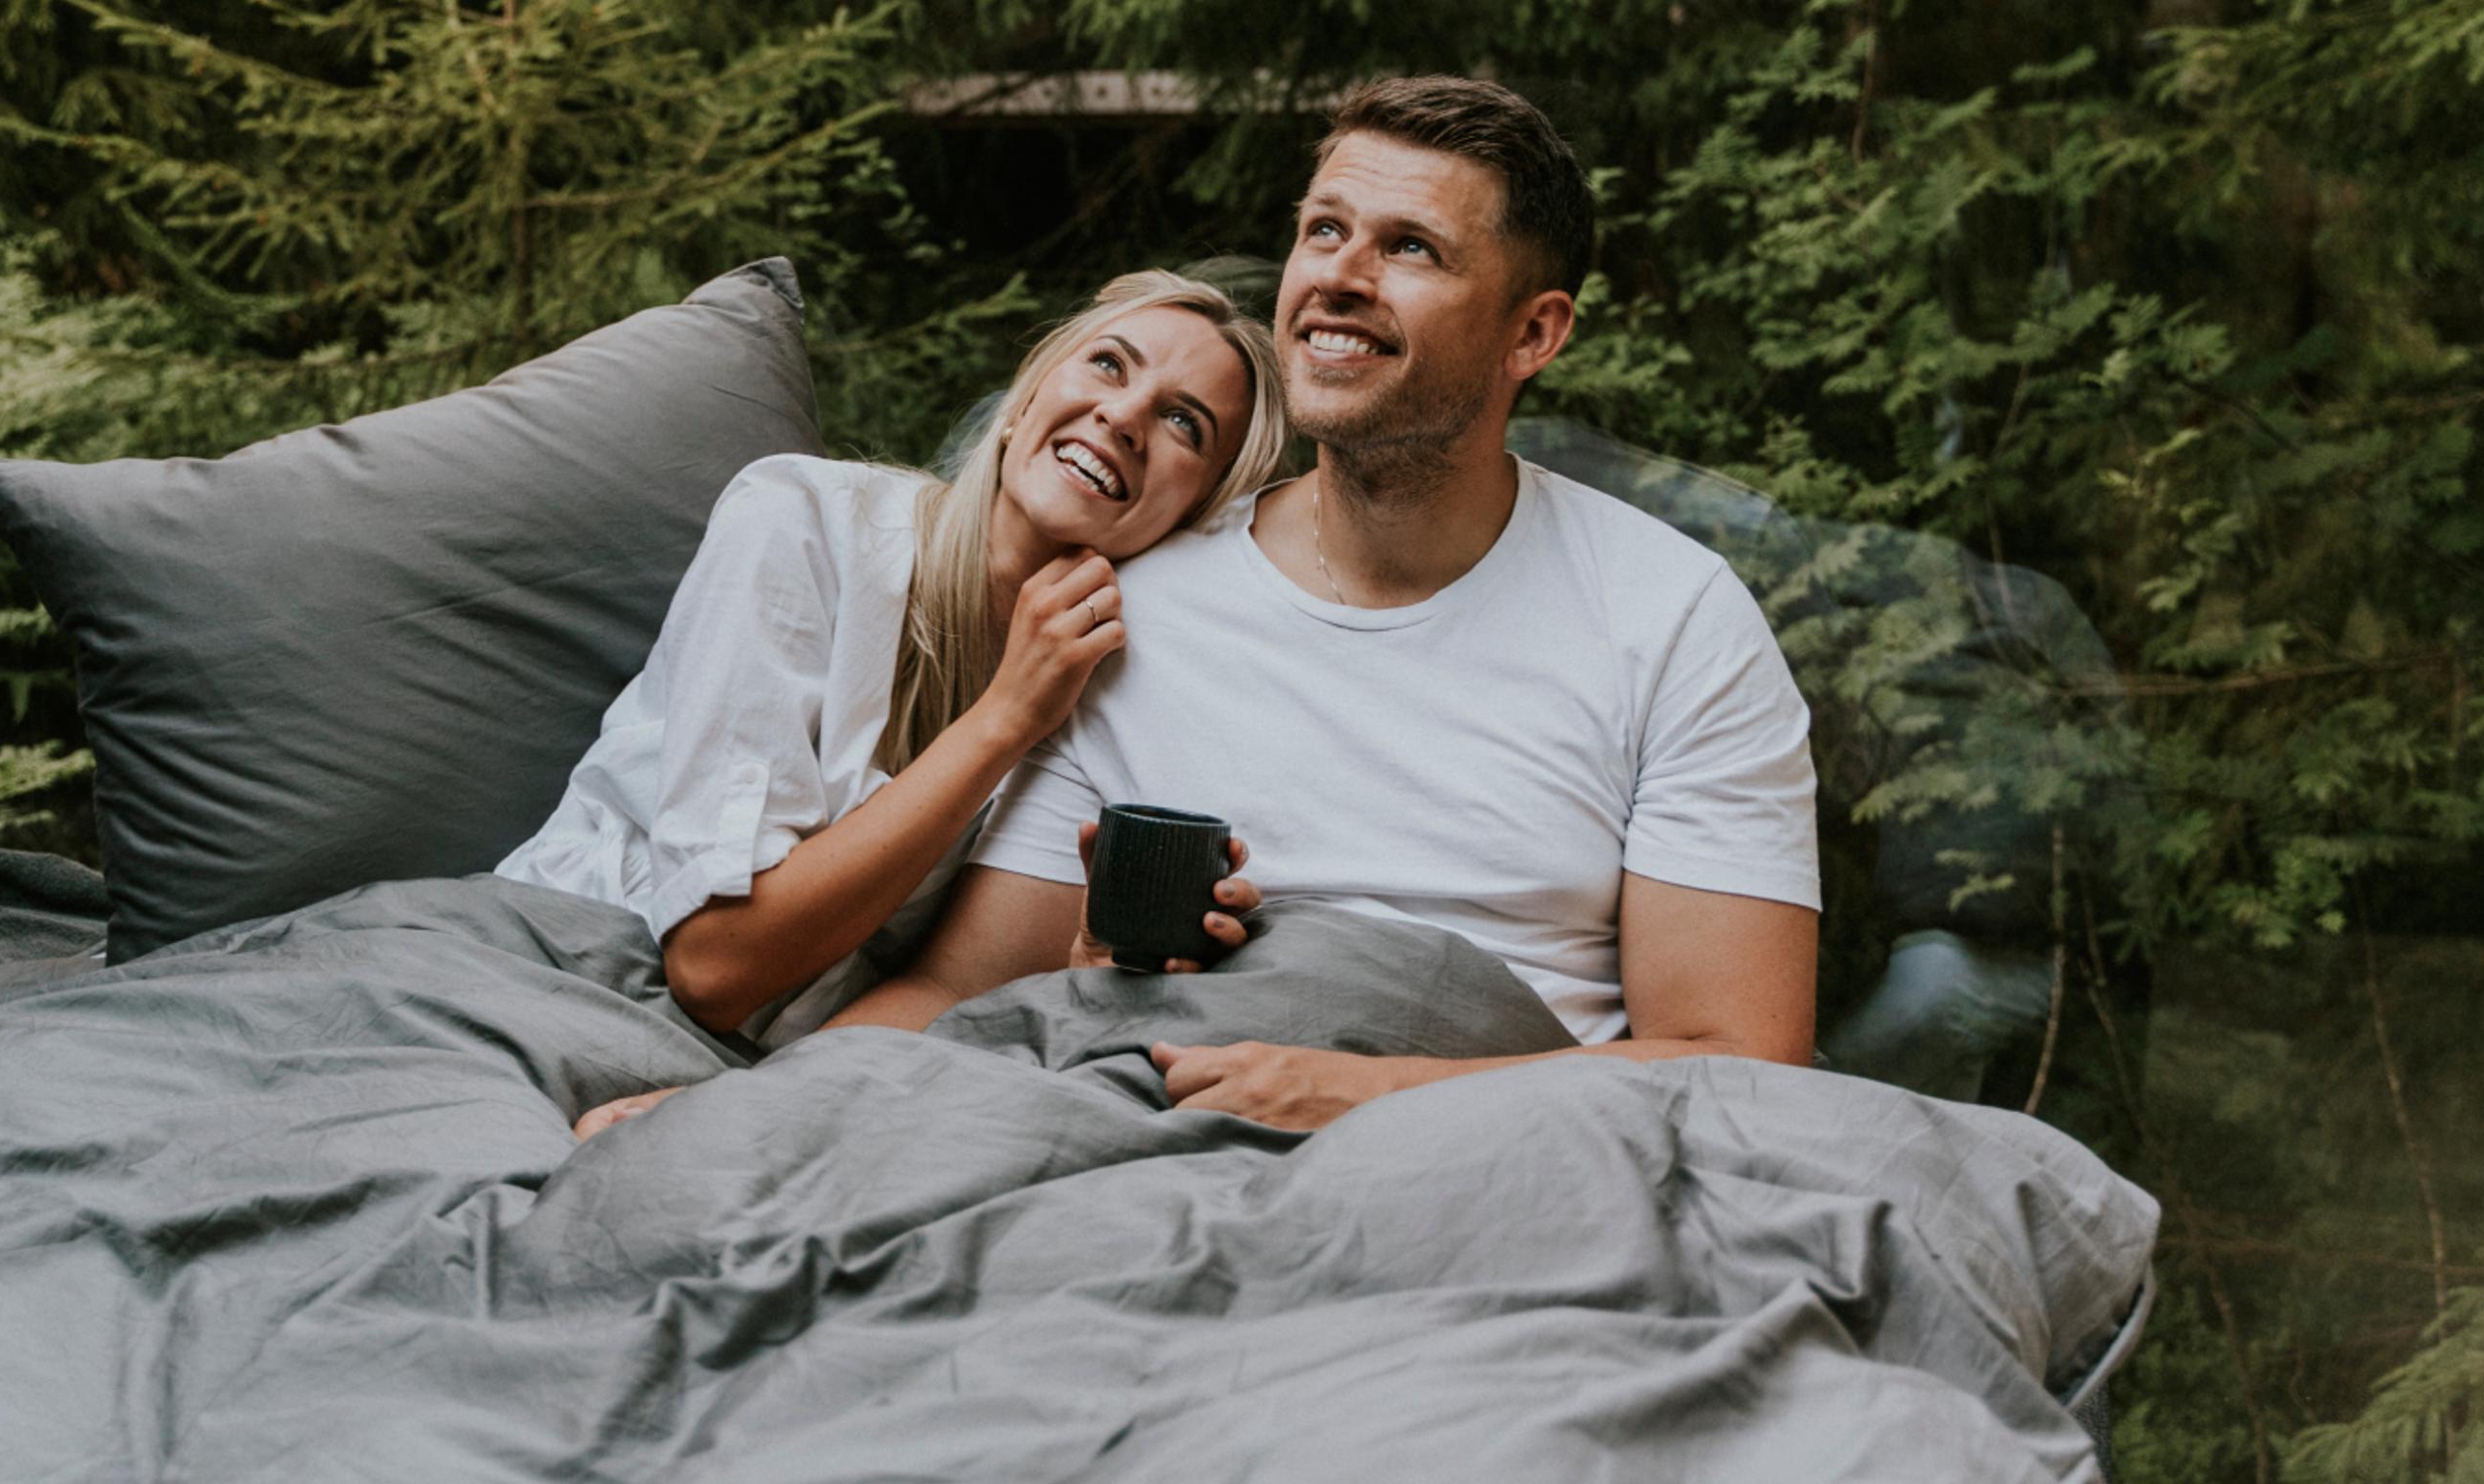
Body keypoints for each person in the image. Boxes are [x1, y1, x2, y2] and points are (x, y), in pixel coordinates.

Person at [780, 76, 1824, 1128]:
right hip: (1160, 1136)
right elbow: (956, 997)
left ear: (1533, 334)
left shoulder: (1672, 618)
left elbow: (1737, 1062)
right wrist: (741, 1114)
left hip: (1518, 1164)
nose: (1340, 276)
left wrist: (1368, 1095)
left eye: (1410, 248)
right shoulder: (1137, 612)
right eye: (1324, 230)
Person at [502, 271, 1284, 1074]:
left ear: (1197, 518)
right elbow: (713, 966)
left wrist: (1077, 972)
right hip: (567, 964)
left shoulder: (1114, 692)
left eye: (1184, 422)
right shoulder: (801, 524)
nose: (1122, 416)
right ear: (1023, 401)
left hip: (790, 1066)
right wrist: (1005, 718)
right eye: (1110, 365)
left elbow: (945, 984)